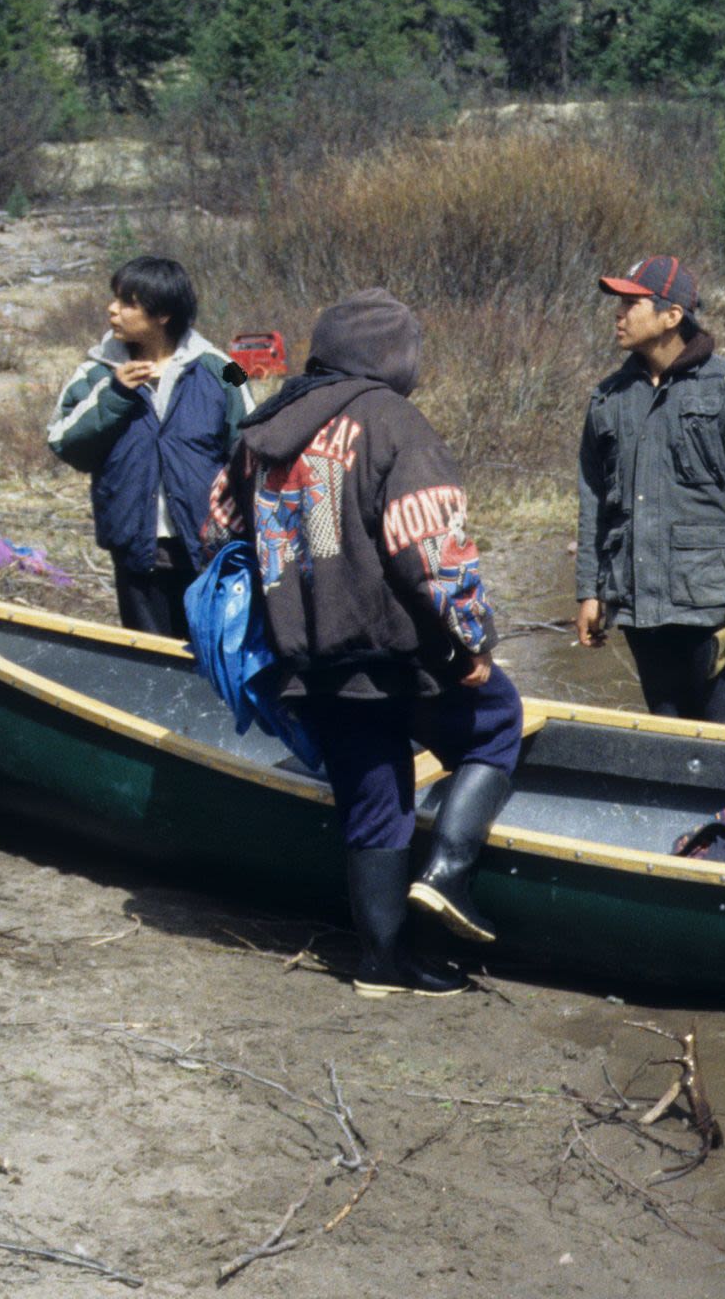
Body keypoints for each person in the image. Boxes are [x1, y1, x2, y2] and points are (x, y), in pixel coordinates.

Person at [203, 289, 522, 997]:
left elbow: (217, 525)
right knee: (498, 722)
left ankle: (380, 962)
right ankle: (448, 873)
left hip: (309, 657)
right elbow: (429, 545)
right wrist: (473, 639)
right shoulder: (391, 421)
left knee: (374, 796)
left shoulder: (267, 424)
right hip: (402, 655)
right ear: (393, 359)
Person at [574, 256, 725, 725]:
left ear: (672, 316)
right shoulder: (608, 399)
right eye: (619, 303)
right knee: (669, 748)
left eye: (632, 303)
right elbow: (593, 502)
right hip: (639, 611)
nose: (619, 314)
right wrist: (589, 591)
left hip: (715, 611)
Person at [45, 257, 245, 637]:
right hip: (135, 544)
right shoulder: (96, 372)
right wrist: (115, 395)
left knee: (211, 656)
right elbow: (62, 442)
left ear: (163, 314)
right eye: (114, 299)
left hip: (207, 548)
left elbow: (252, 446)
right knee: (147, 660)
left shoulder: (223, 368)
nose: (112, 310)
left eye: (127, 303)